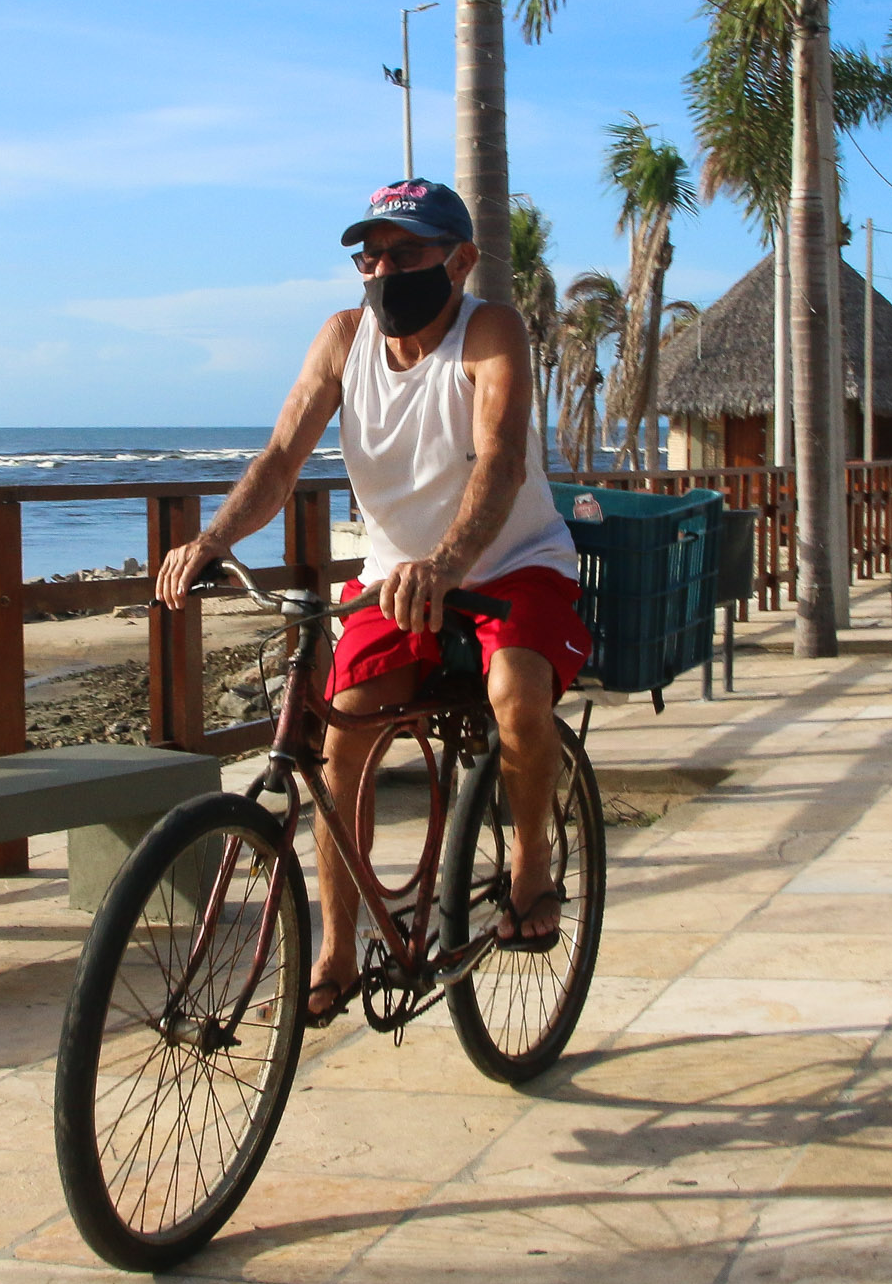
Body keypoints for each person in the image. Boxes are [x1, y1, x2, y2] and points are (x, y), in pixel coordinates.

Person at [155, 179, 590, 1026]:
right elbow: (283, 457)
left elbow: (499, 461)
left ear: (459, 261)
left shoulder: (488, 330)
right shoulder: (343, 339)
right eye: (371, 256)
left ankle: (534, 860)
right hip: (394, 577)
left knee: (515, 697)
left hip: (511, 563)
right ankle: (337, 950)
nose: (384, 271)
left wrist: (449, 559)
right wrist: (215, 540)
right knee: (342, 736)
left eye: (407, 253)